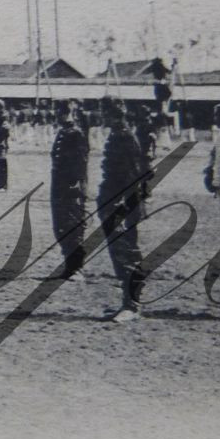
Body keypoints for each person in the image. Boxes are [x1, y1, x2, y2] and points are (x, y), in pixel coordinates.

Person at [96, 96, 150, 322]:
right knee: (119, 251)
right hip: (113, 200)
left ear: (112, 113)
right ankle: (127, 303)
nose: (101, 116)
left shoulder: (126, 137)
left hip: (123, 203)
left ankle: (132, 306)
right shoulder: (118, 135)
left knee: (126, 251)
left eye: (104, 111)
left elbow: (133, 174)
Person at [48, 99, 89, 279]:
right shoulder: (63, 132)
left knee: (73, 225)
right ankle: (68, 264)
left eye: (61, 112)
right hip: (59, 185)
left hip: (71, 188)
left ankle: (76, 267)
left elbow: (80, 164)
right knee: (60, 226)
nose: (57, 115)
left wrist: (74, 189)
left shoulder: (76, 134)